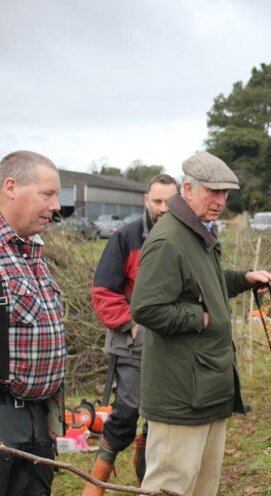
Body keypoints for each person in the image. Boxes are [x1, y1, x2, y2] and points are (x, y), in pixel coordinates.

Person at [130, 152, 271, 496]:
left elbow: (200, 286)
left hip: (209, 386)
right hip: (179, 396)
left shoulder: (198, 232)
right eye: (213, 192)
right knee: (170, 488)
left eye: (225, 194)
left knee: (203, 488)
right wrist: (201, 317)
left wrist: (243, 279)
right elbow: (147, 309)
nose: (220, 201)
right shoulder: (168, 240)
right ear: (188, 189)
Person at [82, 174, 178, 494]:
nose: (164, 208)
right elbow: (103, 292)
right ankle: (96, 485)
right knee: (128, 412)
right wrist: (133, 325)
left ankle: (147, 481)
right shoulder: (125, 238)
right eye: (158, 201)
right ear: (146, 201)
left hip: (172, 343)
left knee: (161, 417)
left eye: (170, 201)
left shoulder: (185, 237)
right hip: (131, 342)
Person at [0, 151, 66, 495]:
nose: (56, 205)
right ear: (11, 187)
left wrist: (53, 413)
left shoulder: (31, 252)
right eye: (47, 194)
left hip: (36, 424)